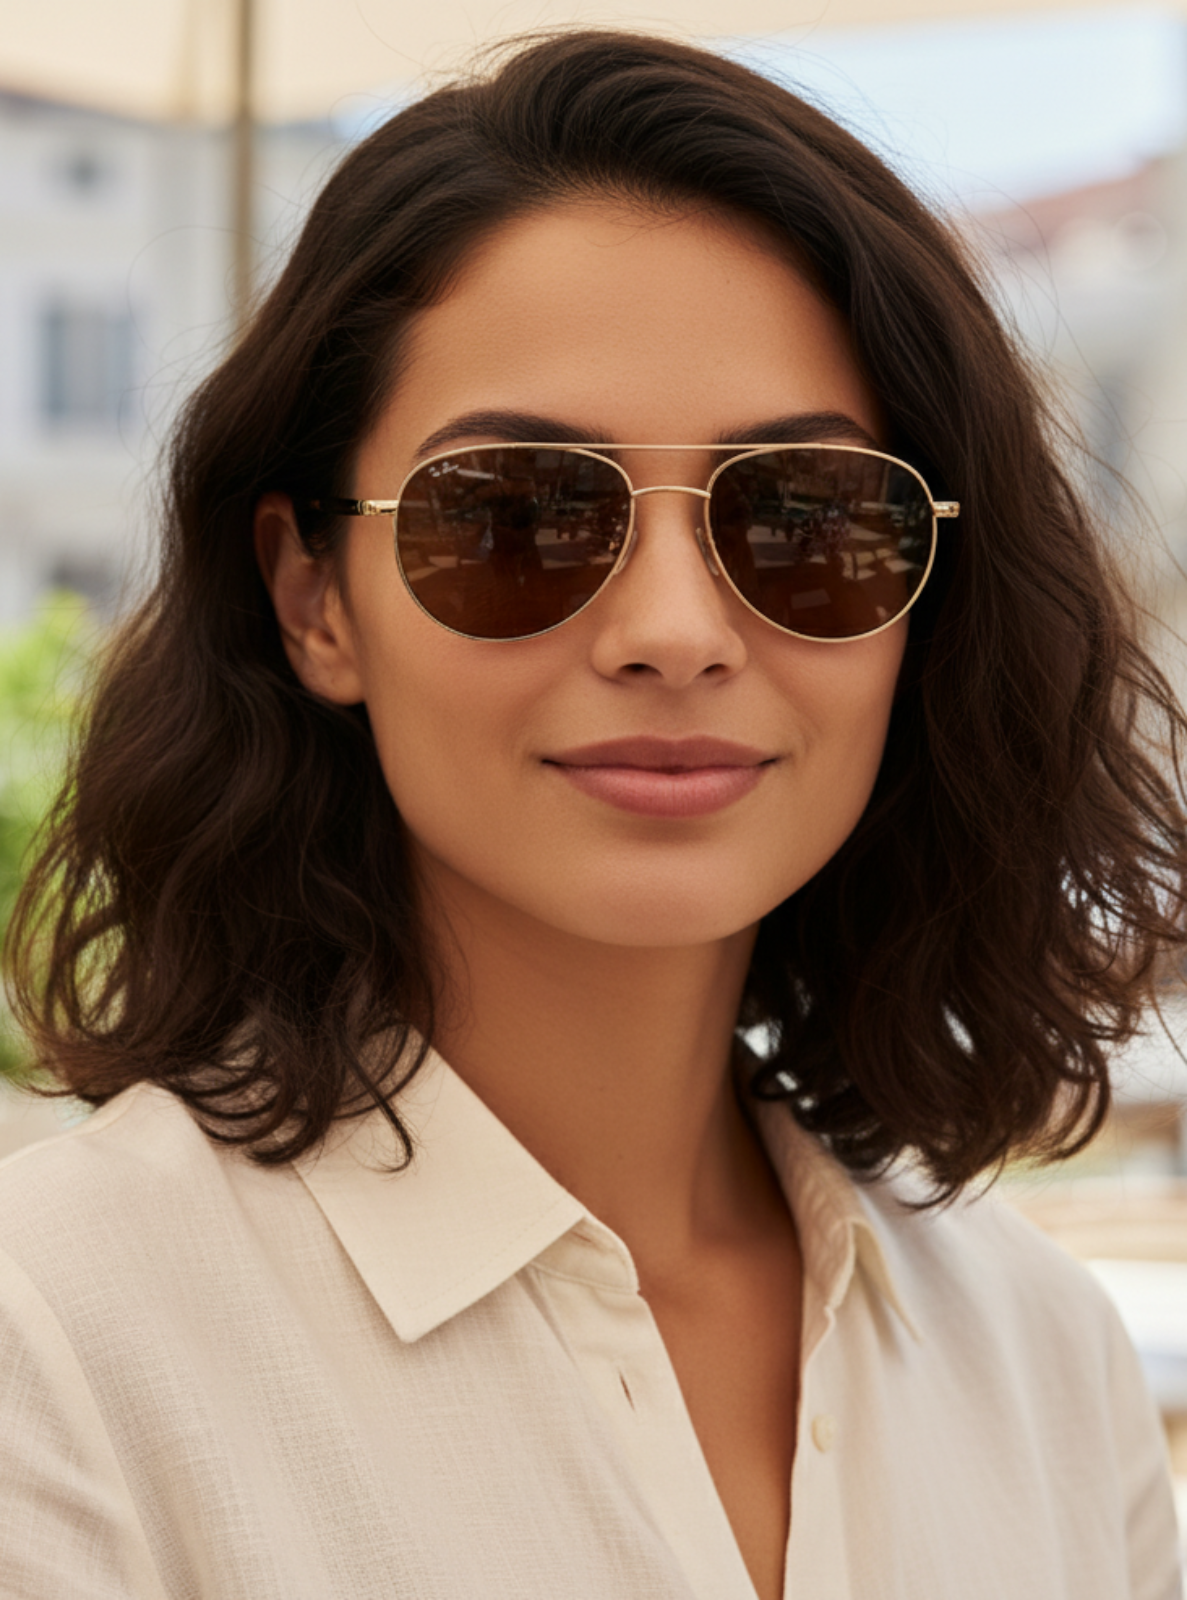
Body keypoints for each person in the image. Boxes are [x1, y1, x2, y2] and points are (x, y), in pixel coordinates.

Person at [1, 29, 1184, 1600]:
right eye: (516, 515)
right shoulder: (54, 1349)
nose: (675, 632)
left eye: (804, 518)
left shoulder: (1047, 1366)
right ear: (312, 599)